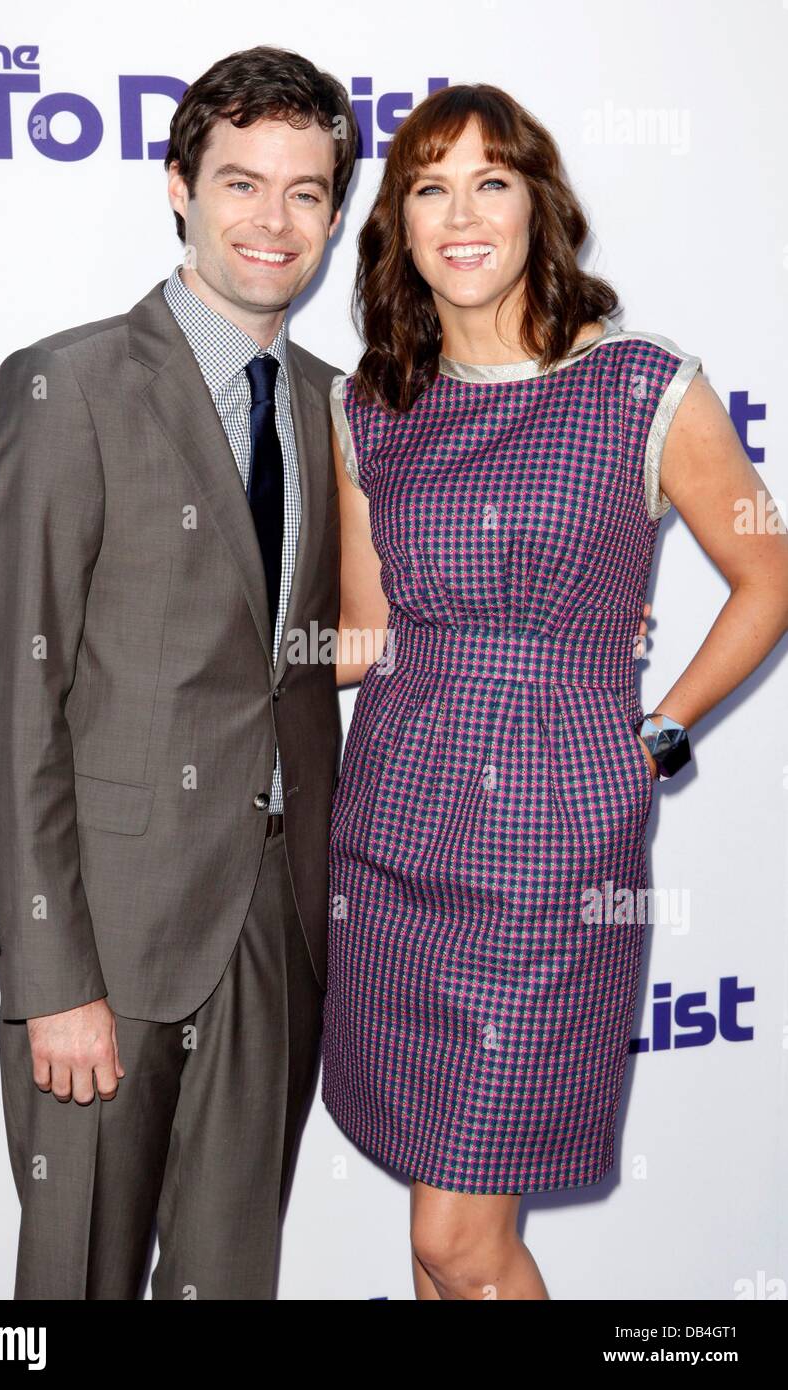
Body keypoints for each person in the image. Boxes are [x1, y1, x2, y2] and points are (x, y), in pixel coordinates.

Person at [321, 82, 788, 1301]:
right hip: (388, 838)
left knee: (459, 1241)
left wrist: (652, 738)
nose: (460, 214)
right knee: (435, 1240)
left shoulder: (640, 383)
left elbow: (765, 577)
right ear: (400, 225)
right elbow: (364, 638)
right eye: (429, 187)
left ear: (538, 205)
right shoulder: (369, 406)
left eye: (490, 181)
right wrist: (193, 657)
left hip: (548, 851)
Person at [0, 45, 356, 1300]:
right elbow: (15, 697)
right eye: (241, 182)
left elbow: (321, 646)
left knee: (229, 1279)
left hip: (273, 923)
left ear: (336, 215)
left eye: (304, 191)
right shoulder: (67, 382)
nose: (272, 219)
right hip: (105, 938)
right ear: (177, 186)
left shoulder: (328, 404)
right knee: (72, 1281)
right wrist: (53, 976)